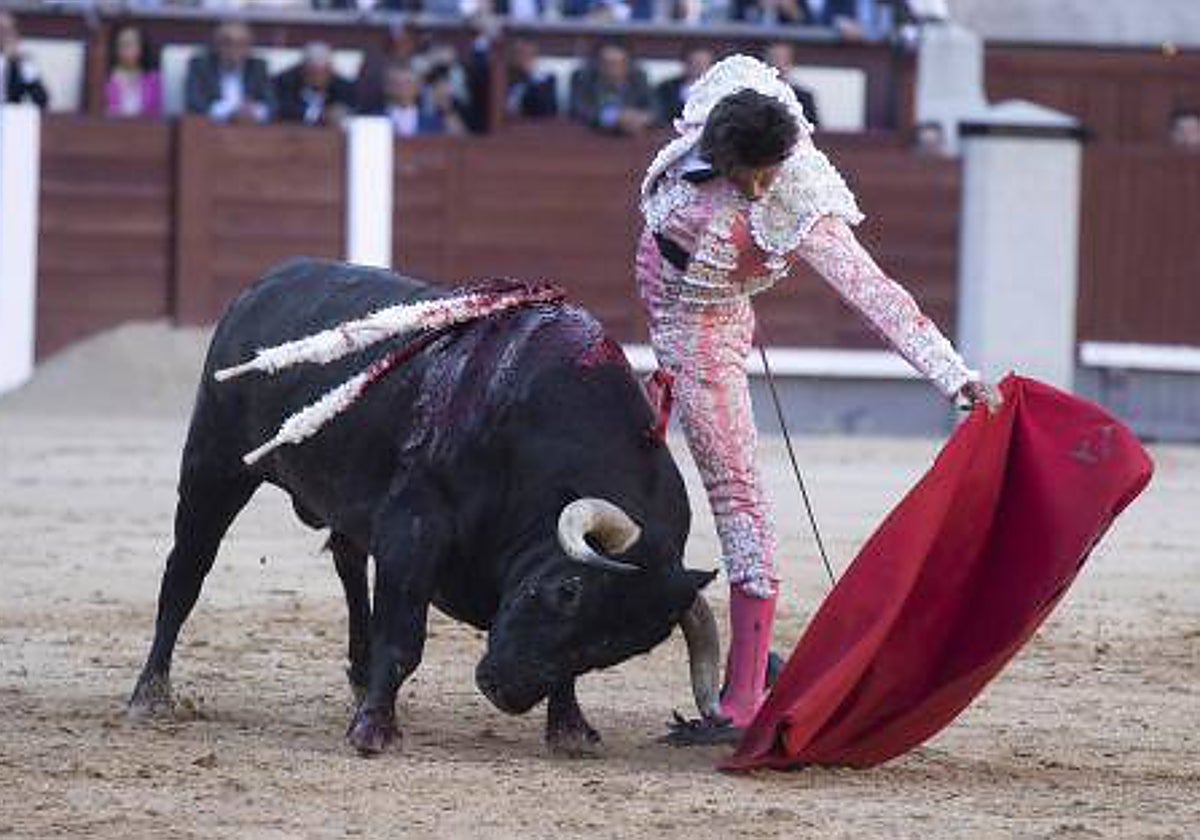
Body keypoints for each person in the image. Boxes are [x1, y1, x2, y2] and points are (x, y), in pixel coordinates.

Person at [636, 55, 1000, 737]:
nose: (753, 186)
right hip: (690, 325)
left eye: (761, 174)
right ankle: (747, 664)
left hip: (702, 344)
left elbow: (877, 295)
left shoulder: (800, 200)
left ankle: (743, 697)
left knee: (740, 502)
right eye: (744, 172)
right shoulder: (721, 115)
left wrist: (954, 376)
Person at [184, 21, 275, 124]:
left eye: (241, 44)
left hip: (251, 130)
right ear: (216, 45)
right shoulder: (200, 66)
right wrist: (229, 112)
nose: (234, 49)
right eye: (227, 43)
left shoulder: (258, 67)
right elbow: (194, 104)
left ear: (249, 48)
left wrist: (255, 111)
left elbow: (271, 105)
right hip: (211, 129)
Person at [568, 41, 654, 137]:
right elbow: (578, 110)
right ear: (599, 65)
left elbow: (657, 110)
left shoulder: (638, 80)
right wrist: (614, 118)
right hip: (594, 136)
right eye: (608, 64)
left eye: (619, 63)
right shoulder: (586, 80)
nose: (613, 68)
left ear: (627, 64)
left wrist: (641, 117)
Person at [274, 41, 355, 126]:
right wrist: (318, 115)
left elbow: (350, 108)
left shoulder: (343, 86)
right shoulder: (284, 82)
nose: (318, 77)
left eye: (323, 72)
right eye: (313, 72)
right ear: (303, 69)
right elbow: (282, 109)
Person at [106, 24, 162, 119]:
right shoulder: (106, 78)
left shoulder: (153, 79)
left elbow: (156, 114)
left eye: (130, 44)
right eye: (122, 45)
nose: (126, 49)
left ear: (142, 47)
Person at [763, 42, 820, 130]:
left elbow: (815, 130)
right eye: (774, 59)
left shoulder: (804, 97)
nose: (777, 64)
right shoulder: (756, 95)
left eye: (783, 60)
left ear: (790, 64)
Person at [0, 11, 49, 109]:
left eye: (8, 31)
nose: (4, 35)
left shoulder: (20, 63)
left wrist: (22, 65)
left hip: (10, 119)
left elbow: (41, 100)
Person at [655, 45, 714, 125]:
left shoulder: (722, 89)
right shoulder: (666, 88)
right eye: (695, 63)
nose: (700, 67)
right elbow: (658, 114)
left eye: (704, 63)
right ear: (685, 63)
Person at [507, 38, 557, 119]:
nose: (521, 58)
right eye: (518, 53)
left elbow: (548, 113)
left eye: (526, 54)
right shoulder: (505, 80)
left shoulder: (545, 81)